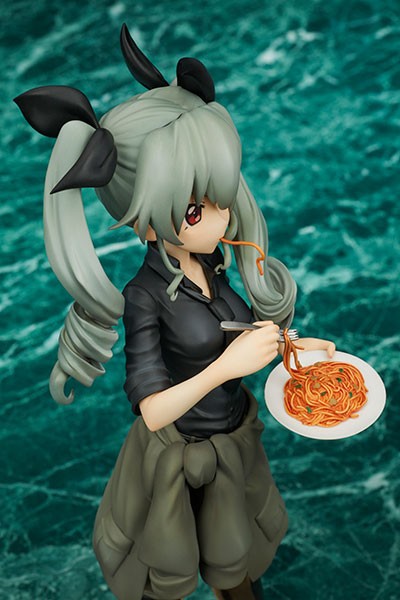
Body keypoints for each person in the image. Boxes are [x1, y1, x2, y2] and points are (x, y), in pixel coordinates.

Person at [15, 24, 335, 600]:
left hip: (234, 445)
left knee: (238, 571)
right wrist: (227, 368)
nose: (221, 217)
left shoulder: (213, 265)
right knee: (166, 578)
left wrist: (295, 349)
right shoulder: (143, 295)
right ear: (145, 220)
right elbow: (153, 410)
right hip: (175, 460)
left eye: (219, 197)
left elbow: (236, 332)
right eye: (194, 210)